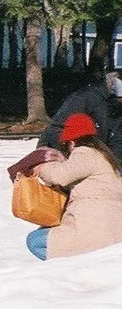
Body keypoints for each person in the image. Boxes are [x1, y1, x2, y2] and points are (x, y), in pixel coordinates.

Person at [21, 111, 122, 260]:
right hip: (111, 226)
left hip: (94, 229)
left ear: (71, 142)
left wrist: (40, 167)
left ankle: (67, 266)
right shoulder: (104, 156)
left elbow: (59, 176)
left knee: (35, 240)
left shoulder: (84, 153)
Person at [9, 63, 122, 180]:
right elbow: (55, 129)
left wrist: (116, 169)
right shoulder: (84, 98)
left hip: (94, 159)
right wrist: (80, 155)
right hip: (62, 155)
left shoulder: (117, 106)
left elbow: (118, 141)